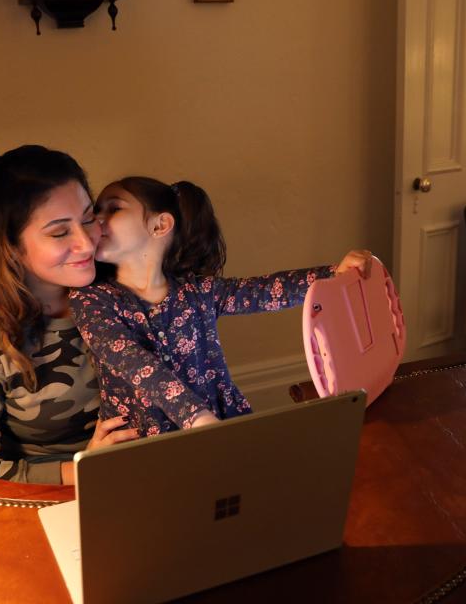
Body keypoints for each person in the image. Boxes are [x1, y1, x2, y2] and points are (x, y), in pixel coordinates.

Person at [69, 176, 372, 437]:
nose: (97, 219)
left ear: (160, 225)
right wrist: (196, 417)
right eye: (97, 209)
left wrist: (334, 275)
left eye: (114, 208)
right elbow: (134, 363)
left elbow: (265, 291)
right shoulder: (91, 300)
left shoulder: (197, 291)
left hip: (217, 430)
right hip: (140, 447)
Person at [0, 145, 139, 486]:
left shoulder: (127, 286)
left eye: (88, 218)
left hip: (152, 466)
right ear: (9, 245)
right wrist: (86, 468)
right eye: (59, 232)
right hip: (52, 492)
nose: (86, 242)